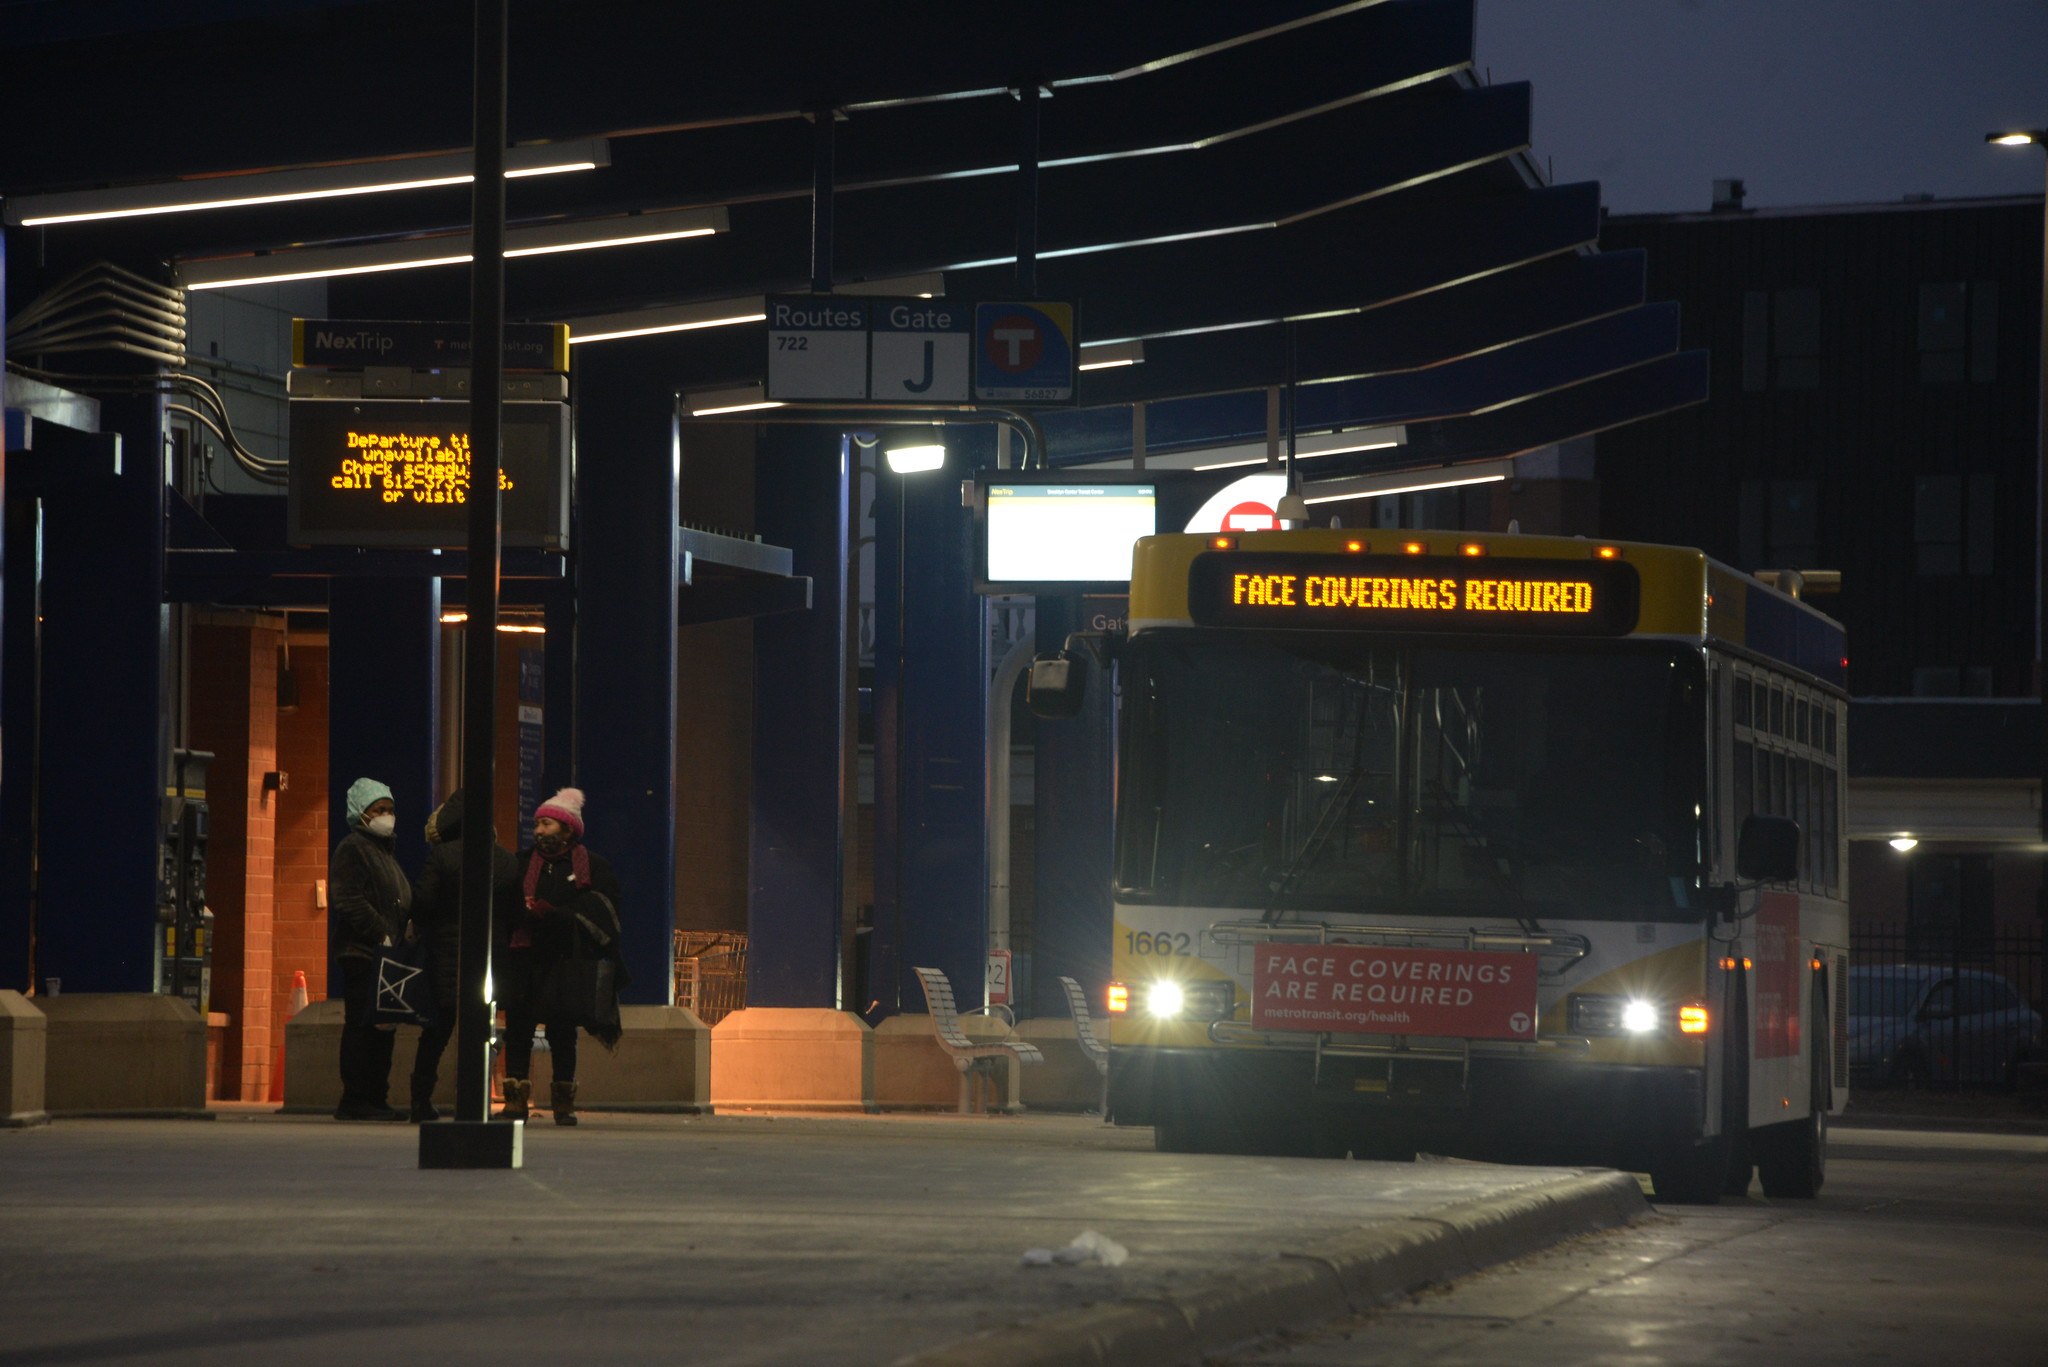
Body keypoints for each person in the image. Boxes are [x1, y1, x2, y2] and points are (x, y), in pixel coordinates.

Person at [497, 787, 626, 1125]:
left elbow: (603, 910)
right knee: (519, 1029)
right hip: (524, 961)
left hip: (567, 962)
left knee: (563, 1031)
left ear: (568, 829)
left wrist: (555, 914)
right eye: (537, 824)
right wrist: (523, 912)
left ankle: (564, 1103)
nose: (539, 831)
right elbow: (503, 908)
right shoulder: (521, 863)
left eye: (548, 824)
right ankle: (515, 1102)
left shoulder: (593, 867)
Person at [404, 789, 519, 1123]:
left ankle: (421, 1100)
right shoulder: (506, 860)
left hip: (446, 956)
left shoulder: (442, 857)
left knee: (437, 1032)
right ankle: (477, 1098)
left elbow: (422, 902)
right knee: (484, 1031)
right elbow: (515, 914)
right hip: (490, 957)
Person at [330, 777, 411, 1121]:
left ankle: (377, 1096)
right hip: (363, 952)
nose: (386, 816)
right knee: (363, 1025)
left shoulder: (384, 852)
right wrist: (380, 930)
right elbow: (347, 898)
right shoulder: (354, 847)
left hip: (386, 954)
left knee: (383, 1026)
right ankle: (356, 1097)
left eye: (390, 810)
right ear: (361, 814)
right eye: (378, 810)